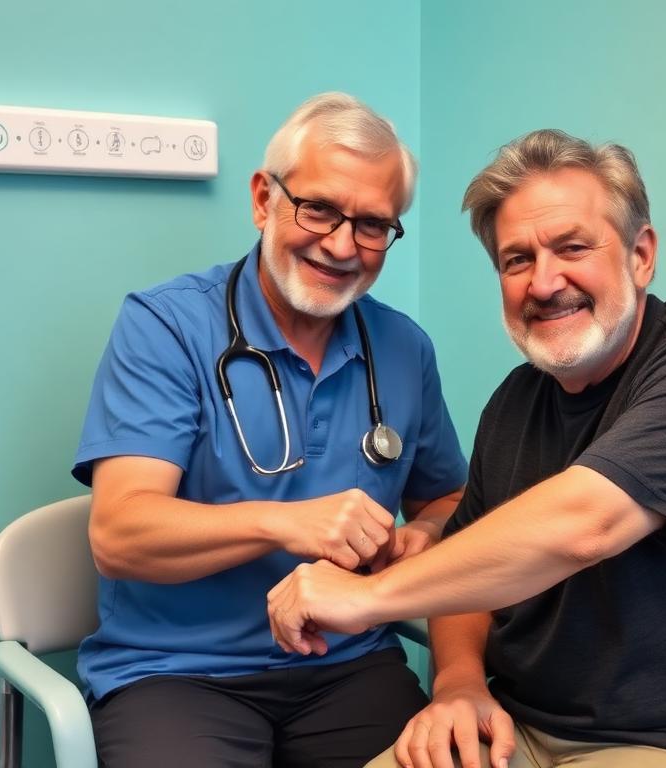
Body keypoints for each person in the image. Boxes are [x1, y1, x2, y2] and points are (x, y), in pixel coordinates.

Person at [267, 129, 666, 768]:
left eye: (572, 247)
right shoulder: (517, 399)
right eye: (516, 260)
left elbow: (583, 524)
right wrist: (458, 685)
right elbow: (467, 563)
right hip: (520, 728)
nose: (543, 282)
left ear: (641, 256)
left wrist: (365, 599)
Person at [72, 92, 467, 768]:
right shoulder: (166, 328)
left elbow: (448, 498)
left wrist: (422, 536)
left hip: (350, 663)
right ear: (264, 199)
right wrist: (286, 524)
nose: (342, 245)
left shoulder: (403, 349)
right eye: (318, 208)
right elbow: (119, 534)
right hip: (178, 673)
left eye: (372, 224)